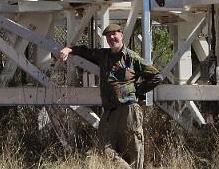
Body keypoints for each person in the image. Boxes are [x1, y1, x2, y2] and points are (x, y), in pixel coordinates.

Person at [59, 23, 162, 169]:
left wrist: (137, 91)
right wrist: (69, 49)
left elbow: (156, 76)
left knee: (133, 151)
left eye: (114, 34)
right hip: (109, 112)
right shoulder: (103, 55)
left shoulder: (132, 58)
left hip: (128, 111)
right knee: (104, 148)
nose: (112, 38)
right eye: (108, 36)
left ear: (121, 35)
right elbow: (85, 51)